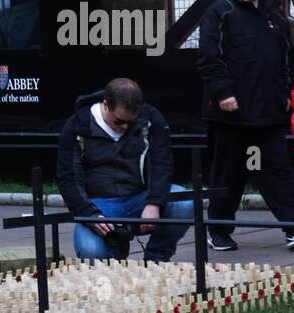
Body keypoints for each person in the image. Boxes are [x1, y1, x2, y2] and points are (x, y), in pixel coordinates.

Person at [197, 0, 294, 251]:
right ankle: (219, 232)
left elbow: (283, 58)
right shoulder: (220, 12)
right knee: (229, 173)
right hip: (232, 114)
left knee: (276, 168)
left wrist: (287, 92)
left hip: (268, 111)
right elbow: (209, 59)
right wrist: (223, 93)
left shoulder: (273, 15)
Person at [56, 77, 193, 263]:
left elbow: (162, 163)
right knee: (91, 252)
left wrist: (154, 203)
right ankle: (114, 257)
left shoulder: (151, 119)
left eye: (131, 122)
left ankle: (155, 261)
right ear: (105, 105)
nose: (125, 127)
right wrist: (89, 214)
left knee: (184, 203)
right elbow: (67, 178)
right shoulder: (76, 126)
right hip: (99, 204)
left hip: (140, 198)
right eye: (119, 121)